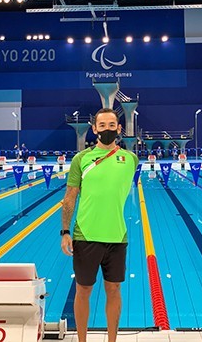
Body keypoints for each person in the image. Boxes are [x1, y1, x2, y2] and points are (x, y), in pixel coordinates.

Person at [60, 108, 138, 342]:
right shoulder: (81, 159)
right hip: (86, 236)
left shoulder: (131, 160)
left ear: (119, 129)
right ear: (94, 129)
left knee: (114, 290)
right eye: (101, 125)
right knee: (83, 290)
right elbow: (70, 197)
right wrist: (65, 231)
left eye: (111, 125)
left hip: (117, 236)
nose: (106, 129)